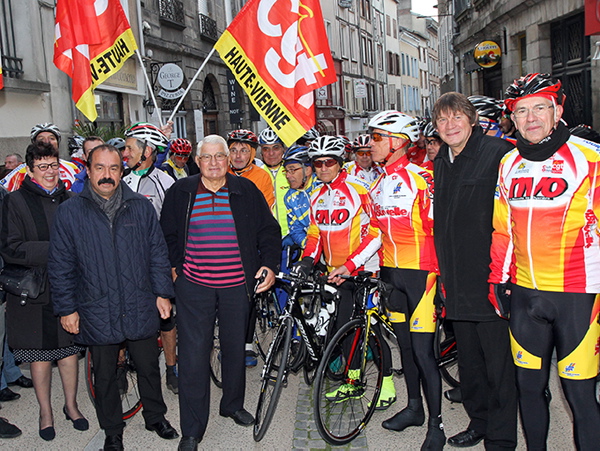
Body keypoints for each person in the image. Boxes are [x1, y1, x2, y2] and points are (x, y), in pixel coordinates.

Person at [489, 73, 600, 450]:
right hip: (524, 296)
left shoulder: (590, 160)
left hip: (577, 296)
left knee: (581, 397)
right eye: (521, 111)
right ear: (512, 118)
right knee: (528, 388)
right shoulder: (508, 164)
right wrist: (497, 279)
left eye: (540, 108)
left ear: (558, 110)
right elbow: (502, 229)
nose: (531, 117)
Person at [48, 144, 178, 451]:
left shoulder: (141, 207)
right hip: (96, 305)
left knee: (148, 366)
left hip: (139, 302)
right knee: (104, 375)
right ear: (88, 170)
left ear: (122, 170)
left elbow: (158, 254)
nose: (107, 175)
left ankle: (155, 416)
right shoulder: (69, 213)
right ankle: (112, 429)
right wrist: (67, 308)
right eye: (100, 168)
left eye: (114, 168)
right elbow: (61, 265)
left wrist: (162, 292)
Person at [160, 135, 281, 451]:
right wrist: (175, 267)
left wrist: (269, 265)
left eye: (220, 157)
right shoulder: (181, 192)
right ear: (197, 161)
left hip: (236, 287)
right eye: (207, 157)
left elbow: (269, 231)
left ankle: (232, 404)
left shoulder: (245, 191)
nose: (213, 163)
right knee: (193, 356)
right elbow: (167, 234)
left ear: (228, 160)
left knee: (233, 348)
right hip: (194, 287)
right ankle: (192, 429)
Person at [432, 92, 517, 449]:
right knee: (469, 364)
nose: (449, 126)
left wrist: (503, 277)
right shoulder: (440, 163)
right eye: (442, 120)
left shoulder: (499, 155)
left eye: (456, 118)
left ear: (472, 120)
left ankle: (500, 437)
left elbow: (511, 219)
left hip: (489, 281)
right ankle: (478, 421)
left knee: (499, 367)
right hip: (455, 282)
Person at [0, 142, 88, 442]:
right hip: (33, 291)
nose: (50, 172)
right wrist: (58, 250)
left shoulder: (74, 200)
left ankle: (72, 406)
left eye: (53, 165)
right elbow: (11, 248)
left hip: (68, 288)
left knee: (69, 352)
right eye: (43, 166)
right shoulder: (15, 201)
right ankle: (45, 411)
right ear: (30, 169)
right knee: (39, 355)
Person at [293, 136, 390, 406]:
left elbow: (375, 234)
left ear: (339, 162)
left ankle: (388, 383)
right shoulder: (316, 195)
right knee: (345, 329)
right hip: (336, 274)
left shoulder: (359, 190)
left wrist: (350, 266)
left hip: (362, 272)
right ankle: (352, 381)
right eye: (317, 163)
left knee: (371, 330)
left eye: (329, 162)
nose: (323, 167)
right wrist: (307, 261)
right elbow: (315, 234)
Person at [366, 111, 443, 450]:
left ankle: (436, 426)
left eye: (377, 137)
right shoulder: (377, 183)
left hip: (421, 276)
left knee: (425, 353)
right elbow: (374, 233)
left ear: (398, 142)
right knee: (407, 348)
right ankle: (413, 408)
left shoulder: (423, 178)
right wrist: (352, 265)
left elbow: (442, 230)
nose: (371, 143)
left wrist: (448, 280)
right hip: (390, 277)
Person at [122, 123, 179, 394]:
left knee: (165, 318)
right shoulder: (119, 178)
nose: (125, 152)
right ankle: (119, 366)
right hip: (124, 265)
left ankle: (171, 367)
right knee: (121, 317)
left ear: (148, 151)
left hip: (157, 264)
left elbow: (176, 228)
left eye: (130, 148)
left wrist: (173, 265)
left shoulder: (166, 182)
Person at [1, 124, 80, 192]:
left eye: (51, 138)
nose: (47, 141)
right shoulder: (20, 172)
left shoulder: (72, 168)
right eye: (41, 139)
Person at [283, 145, 321, 249]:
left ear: (308, 170)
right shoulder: (289, 197)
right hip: (312, 248)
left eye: (292, 170)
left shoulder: (322, 187)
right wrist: (308, 246)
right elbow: (295, 229)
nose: (287, 175)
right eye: (286, 171)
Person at [227, 129, 274, 206]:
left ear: (252, 153)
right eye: (233, 150)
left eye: (244, 151)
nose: (238, 156)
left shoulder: (262, 176)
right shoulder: (222, 173)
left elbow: (265, 209)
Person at [259, 127, 290, 236]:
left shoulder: (292, 172)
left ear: (284, 149)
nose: (271, 153)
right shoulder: (258, 174)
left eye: (275, 148)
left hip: (292, 235)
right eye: (266, 149)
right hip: (267, 237)